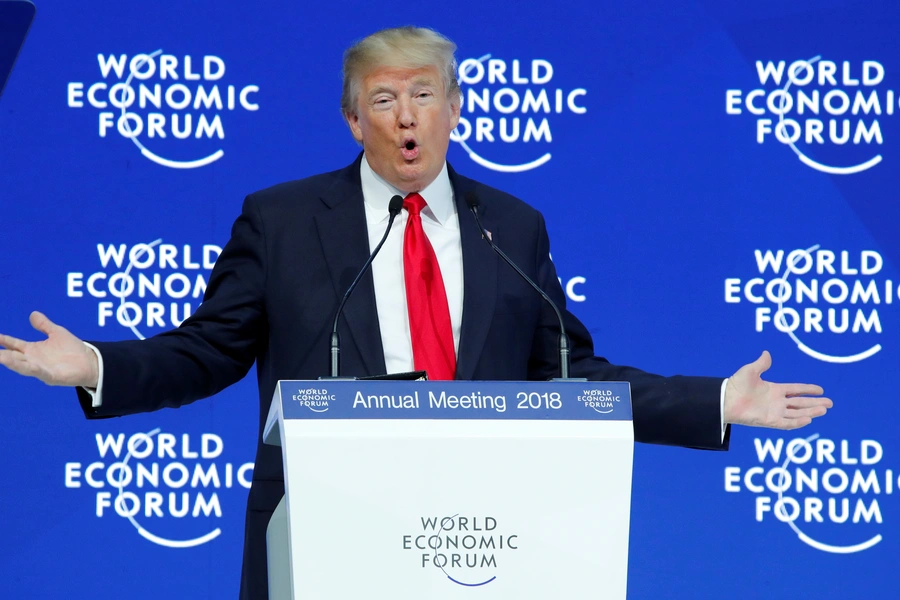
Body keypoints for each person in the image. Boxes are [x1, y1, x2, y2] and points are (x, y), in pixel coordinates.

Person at [0, 26, 831, 599]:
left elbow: (569, 376)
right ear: (353, 117)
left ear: (454, 108)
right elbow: (209, 352)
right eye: (385, 99)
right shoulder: (284, 221)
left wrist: (714, 401)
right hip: (327, 532)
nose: (406, 117)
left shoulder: (511, 227)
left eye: (424, 95)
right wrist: (99, 367)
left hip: (486, 539)